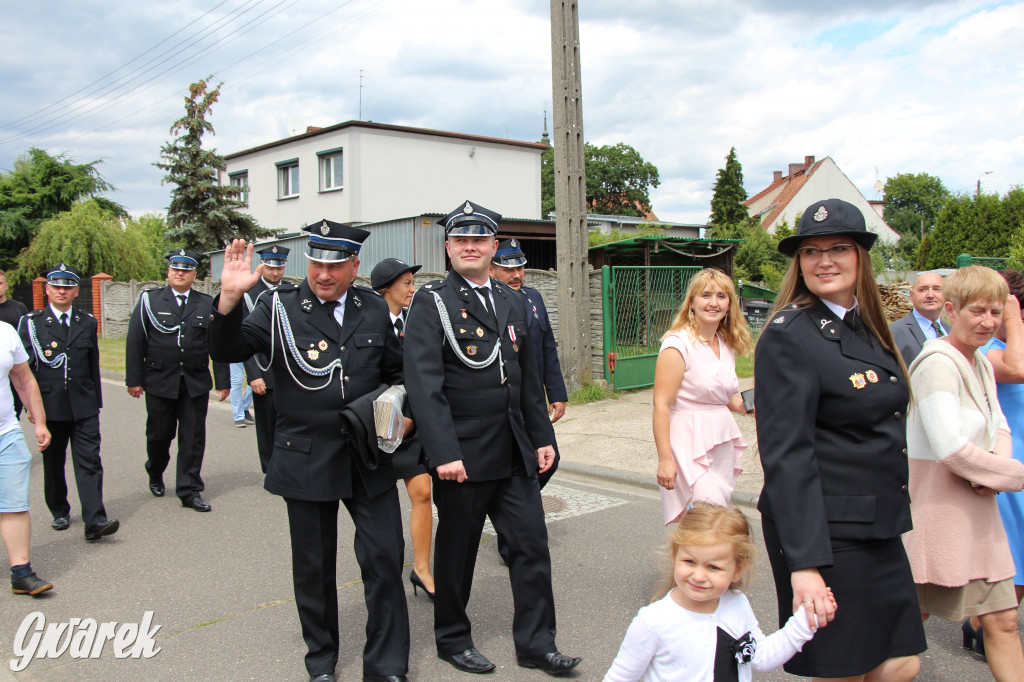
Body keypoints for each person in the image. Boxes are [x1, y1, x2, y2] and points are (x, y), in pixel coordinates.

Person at [211, 222, 410, 682]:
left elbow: (398, 373)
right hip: (305, 454)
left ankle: (385, 665)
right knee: (314, 568)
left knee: (383, 558)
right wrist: (228, 300)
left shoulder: (373, 308)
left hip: (368, 454)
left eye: (335, 265)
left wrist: (403, 413)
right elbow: (228, 346)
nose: (323, 273)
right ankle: (320, 661)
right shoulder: (277, 307)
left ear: (354, 266)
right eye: (317, 262)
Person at [404, 200, 581, 677]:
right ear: (448, 247)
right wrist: (442, 452)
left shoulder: (511, 300)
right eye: (460, 240)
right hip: (461, 455)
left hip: (512, 449)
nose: (469, 247)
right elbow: (424, 385)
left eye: (479, 239)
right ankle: (452, 639)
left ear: (493, 246)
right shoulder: (432, 302)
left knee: (531, 546)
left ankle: (537, 644)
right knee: (458, 553)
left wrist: (542, 436)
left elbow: (523, 378)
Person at [754, 198, 926, 681]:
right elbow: (788, 457)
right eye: (811, 251)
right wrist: (804, 564)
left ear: (860, 257)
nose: (824, 260)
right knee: (844, 669)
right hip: (828, 535)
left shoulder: (868, 327)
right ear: (800, 263)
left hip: (877, 528)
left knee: (900, 663)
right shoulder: (791, 334)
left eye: (838, 248)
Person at [903, 265, 1024, 681]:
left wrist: (997, 472)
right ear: (952, 311)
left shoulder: (983, 364)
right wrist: (1012, 476)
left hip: (980, 515)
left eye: (995, 312)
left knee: (1004, 622)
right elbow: (949, 447)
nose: (987, 321)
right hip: (939, 515)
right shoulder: (937, 362)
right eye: (978, 311)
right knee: (904, 627)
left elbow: (1000, 426)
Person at [603, 502, 825, 682]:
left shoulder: (737, 604)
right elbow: (620, 677)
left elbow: (761, 657)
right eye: (689, 562)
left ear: (737, 571)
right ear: (675, 557)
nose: (699, 576)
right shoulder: (653, 622)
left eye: (713, 567)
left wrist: (803, 623)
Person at [17, 264, 118, 541]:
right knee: (54, 461)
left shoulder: (87, 321)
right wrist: (30, 408)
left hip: (83, 404)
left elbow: (92, 364)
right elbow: (23, 371)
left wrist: (96, 400)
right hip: (50, 405)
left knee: (90, 462)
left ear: (76, 291)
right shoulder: (32, 323)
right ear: (47, 290)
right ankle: (59, 509)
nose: (62, 291)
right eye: (56, 287)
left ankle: (95, 520)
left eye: (67, 287)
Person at [125, 250, 230, 512]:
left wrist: (223, 380)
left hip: (194, 381)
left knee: (193, 437)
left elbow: (218, 344)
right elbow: (135, 341)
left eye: (186, 270)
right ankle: (155, 470)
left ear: (194, 275)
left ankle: (189, 489)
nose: (180, 273)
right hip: (160, 380)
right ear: (169, 272)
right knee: (159, 435)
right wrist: (134, 379)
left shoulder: (206, 303)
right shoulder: (150, 301)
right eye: (175, 269)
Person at [488, 237, 569, 562]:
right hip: (505, 401)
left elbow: (547, 348)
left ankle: (514, 517)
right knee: (518, 467)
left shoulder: (533, 299)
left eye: (519, 267)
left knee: (549, 461)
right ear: (492, 269)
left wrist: (558, 394)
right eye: (508, 269)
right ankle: (514, 537)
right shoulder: (490, 302)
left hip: (532, 402)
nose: (516, 274)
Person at [653, 268, 750, 524]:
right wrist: (665, 460)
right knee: (707, 519)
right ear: (692, 303)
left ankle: (698, 564)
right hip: (689, 442)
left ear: (730, 304)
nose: (713, 303)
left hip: (722, 440)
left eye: (721, 296)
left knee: (713, 520)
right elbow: (661, 405)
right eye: (705, 295)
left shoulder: (725, 343)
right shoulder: (678, 344)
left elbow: (724, 397)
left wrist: (748, 405)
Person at [370, 257, 435, 600]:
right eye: (406, 283)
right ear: (386, 289)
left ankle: (421, 569)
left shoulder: (415, 319)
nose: (413, 289)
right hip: (376, 423)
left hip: (411, 420)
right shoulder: (366, 321)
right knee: (378, 505)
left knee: (423, 493)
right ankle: (383, 575)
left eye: (412, 282)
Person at [975, 268, 1024, 655]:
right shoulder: (986, 349)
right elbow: (1017, 369)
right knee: (1010, 556)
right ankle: (985, 623)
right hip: (1006, 462)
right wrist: (1010, 318)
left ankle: (994, 624)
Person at [0, 317, 52, 595]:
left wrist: (40, 422)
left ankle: (21, 572)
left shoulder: (5, 332)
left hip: (5, 433)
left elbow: (23, 379)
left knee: (14, 504)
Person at [242, 245, 299, 473]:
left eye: (280, 267)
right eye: (271, 267)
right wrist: (254, 375)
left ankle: (288, 465)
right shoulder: (249, 293)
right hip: (263, 368)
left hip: (289, 370)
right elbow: (244, 338)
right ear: (262, 265)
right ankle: (269, 469)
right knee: (266, 425)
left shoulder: (291, 290)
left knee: (291, 422)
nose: (275, 273)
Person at [889, 272, 949, 364]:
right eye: (923, 290)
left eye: (936, 289)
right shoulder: (893, 333)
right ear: (911, 295)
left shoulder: (951, 331)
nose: (930, 295)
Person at [0, 269, 29, 416]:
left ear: (6, 285)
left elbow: (27, 338)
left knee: (12, 415)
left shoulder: (18, 308)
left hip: (15, 370)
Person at [228, 362, 253, 428]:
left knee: (254, 379)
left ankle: (245, 407)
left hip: (252, 352)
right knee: (237, 381)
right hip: (235, 353)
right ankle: (238, 416)